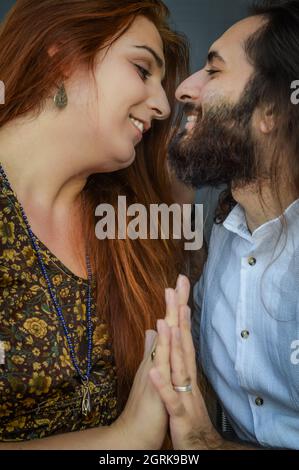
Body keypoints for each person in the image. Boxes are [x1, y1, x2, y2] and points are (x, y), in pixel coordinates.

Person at [0, 0, 191, 449]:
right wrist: (124, 439)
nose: (162, 105)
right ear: (63, 57)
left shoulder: (134, 223)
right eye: (143, 70)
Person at [151, 0, 299, 450]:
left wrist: (203, 443)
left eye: (213, 72)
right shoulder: (224, 232)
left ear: (271, 109)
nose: (183, 90)